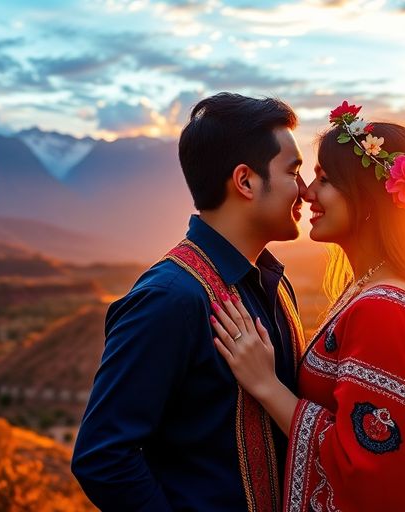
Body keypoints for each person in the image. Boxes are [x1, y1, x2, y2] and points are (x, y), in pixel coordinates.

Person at [211, 100, 405, 511]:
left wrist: (266, 385)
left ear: (366, 198)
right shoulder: (378, 292)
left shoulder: (383, 309)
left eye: (324, 180)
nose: (307, 193)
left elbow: (370, 472)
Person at [72, 92, 309, 512]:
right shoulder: (169, 299)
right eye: (293, 171)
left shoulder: (274, 284)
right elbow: (103, 457)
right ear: (246, 181)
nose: (304, 191)